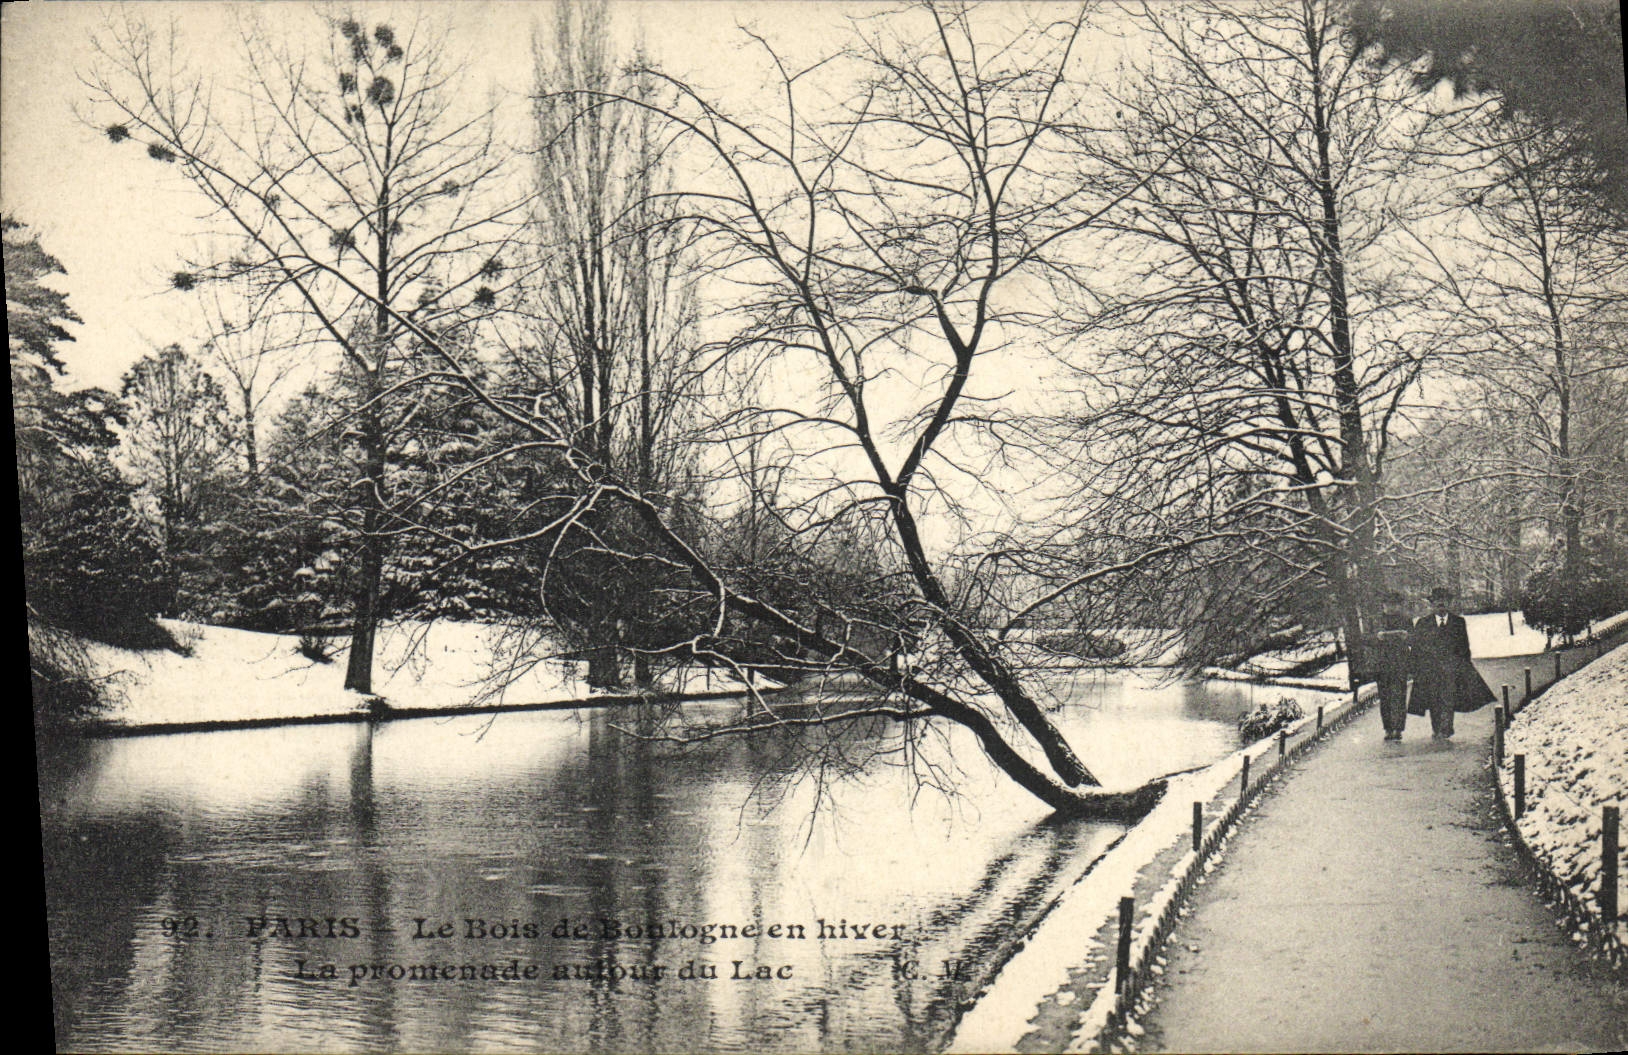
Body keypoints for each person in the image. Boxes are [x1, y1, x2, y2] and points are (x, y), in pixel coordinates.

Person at [1408, 586, 1493, 740]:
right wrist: (1415, 668)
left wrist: (1463, 668)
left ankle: (1446, 729)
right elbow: (1416, 648)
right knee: (1434, 701)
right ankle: (1437, 728)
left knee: (1448, 698)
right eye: (1437, 602)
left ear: (1449, 603)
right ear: (1432, 604)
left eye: (1444, 601)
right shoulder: (1422, 623)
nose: (1441, 604)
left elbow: (1464, 647)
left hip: (1451, 669)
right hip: (1430, 670)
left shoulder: (1458, 622)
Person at [1362, 591, 1413, 741]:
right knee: (1385, 698)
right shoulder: (1375, 621)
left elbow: (1415, 639)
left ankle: (1398, 729)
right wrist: (1377, 637)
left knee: (1399, 696)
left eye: (1394, 604)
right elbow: (1365, 639)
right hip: (1382, 664)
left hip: (1400, 663)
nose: (1391, 607)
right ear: (1383, 605)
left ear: (1399, 605)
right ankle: (1388, 728)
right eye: (1388, 604)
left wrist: (1407, 637)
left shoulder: (1406, 620)